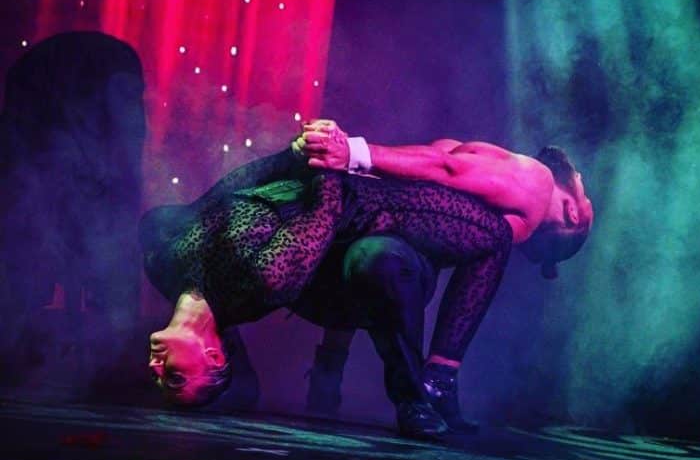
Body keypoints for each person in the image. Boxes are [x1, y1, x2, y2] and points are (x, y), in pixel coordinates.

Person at [140, 146, 515, 439]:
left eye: (161, 379)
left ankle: (429, 386)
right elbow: (327, 207)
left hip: (304, 191)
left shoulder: (162, 266)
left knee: (157, 221)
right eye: (174, 378)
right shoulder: (265, 280)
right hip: (359, 205)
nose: (156, 369)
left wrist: (292, 152)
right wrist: (329, 155)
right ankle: (435, 383)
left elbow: (225, 195)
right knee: (495, 234)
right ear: (213, 355)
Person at [296, 118, 594, 431]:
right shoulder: (523, 179)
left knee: (380, 256)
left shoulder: (530, 180)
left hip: (363, 240)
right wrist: (351, 153)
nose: (581, 178)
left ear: (573, 214)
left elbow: (442, 167)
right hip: (367, 234)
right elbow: (441, 168)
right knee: (385, 253)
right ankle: (433, 383)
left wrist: (352, 156)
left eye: (586, 193)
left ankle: (334, 374)